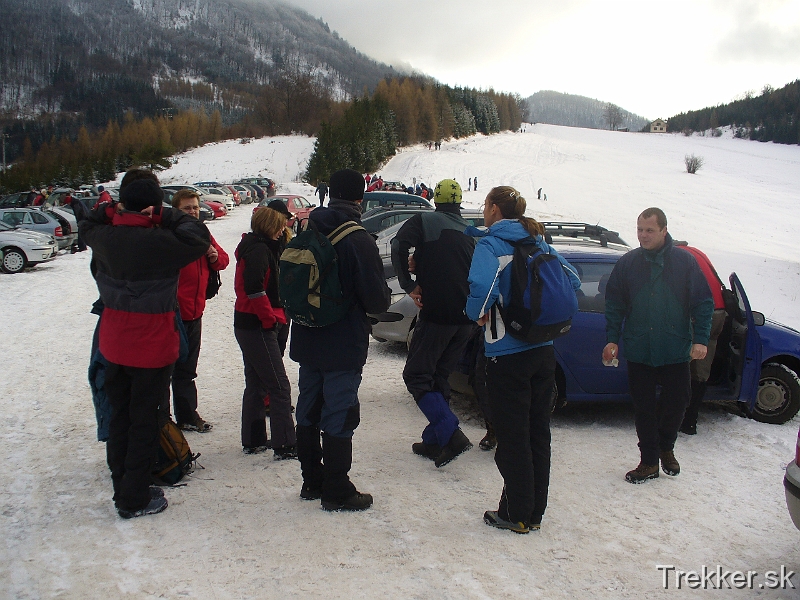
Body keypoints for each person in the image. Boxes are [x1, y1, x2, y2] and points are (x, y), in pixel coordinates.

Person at [81, 173, 211, 519]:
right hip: (153, 343)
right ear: (154, 204)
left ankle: (121, 487)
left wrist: (115, 210)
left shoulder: (105, 236)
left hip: (113, 339)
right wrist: (162, 213)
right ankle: (134, 497)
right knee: (145, 421)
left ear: (123, 201)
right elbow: (198, 234)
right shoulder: (161, 241)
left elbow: (89, 219)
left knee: (120, 416)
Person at [466, 186, 581, 534]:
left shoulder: (491, 244)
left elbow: (480, 288)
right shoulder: (538, 241)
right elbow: (572, 279)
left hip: (507, 353)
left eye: (486, 205)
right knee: (536, 433)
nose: (484, 211)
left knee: (512, 435)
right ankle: (533, 512)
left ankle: (516, 513)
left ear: (495, 210)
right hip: (543, 351)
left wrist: (477, 313)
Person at [290, 168, 390, 511]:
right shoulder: (358, 238)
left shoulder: (307, 226)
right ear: (360, 198)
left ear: (330, 193)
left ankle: (311, 481)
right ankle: (336, 488)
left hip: (306, 334)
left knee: (308, 406)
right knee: (339, 411)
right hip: (342, 342)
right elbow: (376, 300)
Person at [603, 208, 713, 484]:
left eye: (649, 230)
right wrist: (612, 338)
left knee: (678, 402)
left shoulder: (684, 263)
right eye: (640, 229)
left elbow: (703, 302)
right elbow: (614, 304)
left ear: (664, 230)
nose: (643, 235)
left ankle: (666, 446)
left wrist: (700, 339)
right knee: (644, 408)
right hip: (640, 348)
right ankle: (649, 461)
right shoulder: (628, 263)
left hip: (675, 348)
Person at [391, 179, 476, 467]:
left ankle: (451, 432)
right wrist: (422, 261)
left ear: (435, 200)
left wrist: (408, 283)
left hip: (437, 314)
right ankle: (435, 440)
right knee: (439, 376)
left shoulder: (425, 220)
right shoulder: (469, 231)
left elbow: (397, 244)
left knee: (416, 376)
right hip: (467, 321)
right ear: (459, 203)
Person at [233, 204, 297, 458]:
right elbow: (254, 288)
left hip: (250, 322)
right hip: (257, 323)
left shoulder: (258, 246)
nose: (284, 228)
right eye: (281, 224)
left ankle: (254, 438)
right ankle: (285, 443)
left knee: (257, 383)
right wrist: (269, 319)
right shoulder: (259, 250)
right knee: (279, 386)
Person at [169, 189, 230, 433]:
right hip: (172, 313)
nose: (193, 212)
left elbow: (223, 261)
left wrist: (213, 256)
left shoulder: (202, 233)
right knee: (167, 370)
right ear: (176, 210)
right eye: (187, 208)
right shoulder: (170, 235)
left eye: (195, 207)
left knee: (187, 368)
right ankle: (163, 421)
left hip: (195, 312)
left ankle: (186, 415)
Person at [674, 242, 728, 435]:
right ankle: (690, 421)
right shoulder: (698, 252)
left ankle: (678, 418)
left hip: (699, 312)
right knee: (701, 368)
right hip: (719, 313)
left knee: (681, 364)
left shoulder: (676, 256)